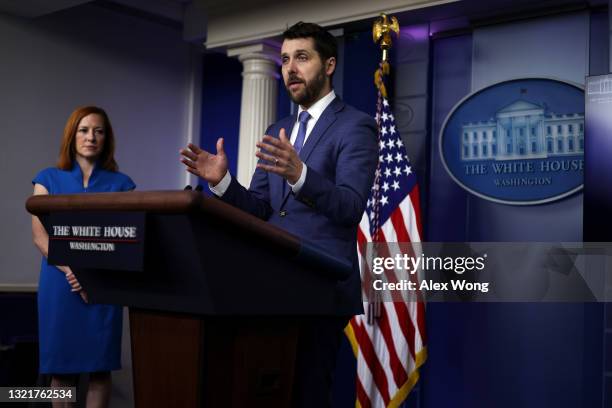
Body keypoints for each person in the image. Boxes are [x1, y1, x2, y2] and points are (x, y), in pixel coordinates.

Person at [180, 22, 378, 406]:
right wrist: (222, 183)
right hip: (272, 283)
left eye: (302, 58)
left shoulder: (357, 126)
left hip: (322, 287)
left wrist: (300, 174)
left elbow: (350, 206)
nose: (290, 68)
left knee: (307, 392)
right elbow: (260, 209)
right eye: (285, 59)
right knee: (267, 390)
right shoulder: (280, 128)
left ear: (329, 64)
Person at [31, 106, 135, 408]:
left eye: (99, 131)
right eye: (84, 130)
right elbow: (40, 236)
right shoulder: (46, 179)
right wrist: (73, 269)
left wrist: (91, 275)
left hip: (103, 286)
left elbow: (126, 239)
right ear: (72, 135)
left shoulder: (122, 185)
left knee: (99, 369)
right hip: (59, 284)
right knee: (60, 372)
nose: (91, 137)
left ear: (107, 138)